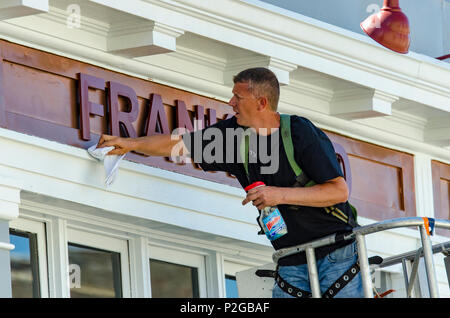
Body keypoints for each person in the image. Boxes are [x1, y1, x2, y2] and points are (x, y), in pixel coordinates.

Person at [97, 67, 364, 298]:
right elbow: (180, 143)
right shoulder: (233, 136)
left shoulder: (299, 132)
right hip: (291, 259)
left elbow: (338, 191)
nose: (231, 102)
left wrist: (277, 195)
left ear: (261, 102)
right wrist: (129, 144)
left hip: (336, 253)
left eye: (238, 97)